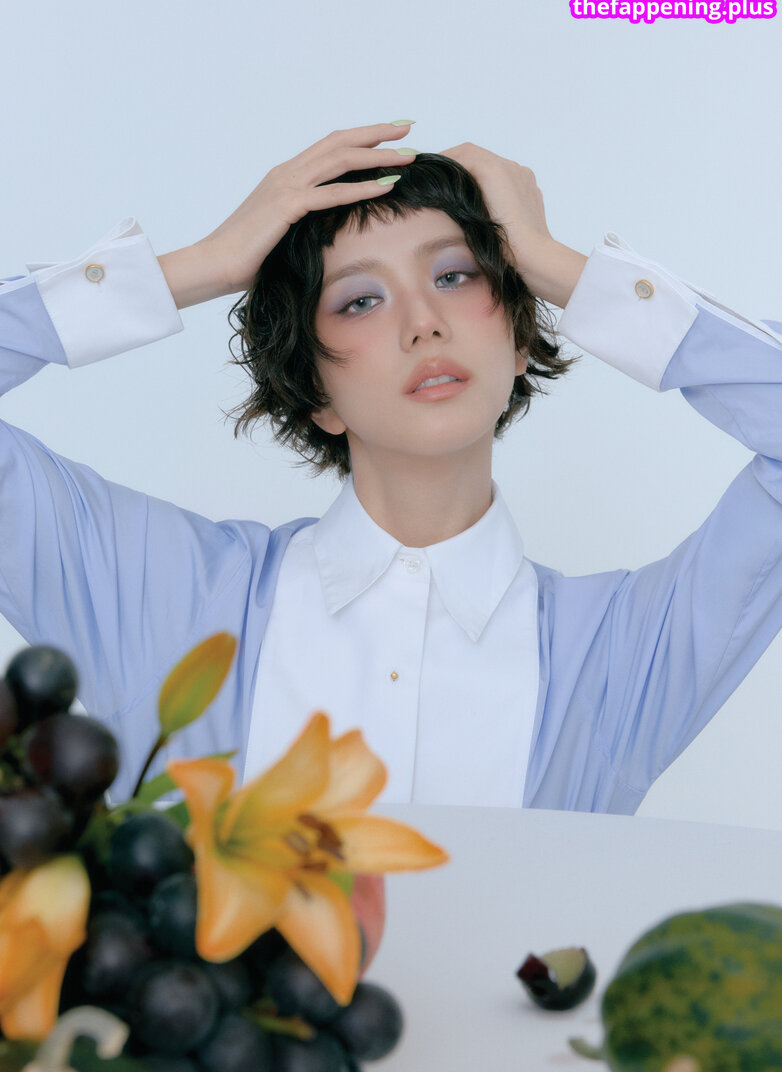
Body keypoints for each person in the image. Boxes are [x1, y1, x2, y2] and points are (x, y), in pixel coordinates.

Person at [1, 121, 781, 813]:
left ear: (518, 338)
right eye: (360, 300)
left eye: (456, 275)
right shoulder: (160, 596)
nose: (423, 322)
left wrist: (557, 266)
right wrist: (201, 265)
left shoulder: (621, 657)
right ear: (314, 390)